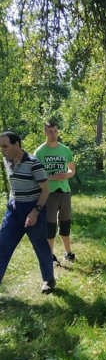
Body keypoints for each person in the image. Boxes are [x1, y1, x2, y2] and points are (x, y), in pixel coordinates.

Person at [0, 131, 56, 293]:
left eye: (5, 146)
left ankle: (48, 280)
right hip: (14, 209)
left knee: (40, 246)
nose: (2, 150)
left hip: (33, 208)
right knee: (3, 245)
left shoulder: (34, 163)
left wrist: (35, 212)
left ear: (16, 144)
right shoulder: (6, 160)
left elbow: (45, 190)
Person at [34, 121, 76, 265]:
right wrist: (52, 176)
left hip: (65, 191)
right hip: (49, 193)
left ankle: (68, 252)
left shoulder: (65, 150)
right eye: (50, 131)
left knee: (65, 223)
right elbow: (36, 175)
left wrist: (65, 174)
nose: (53, 134)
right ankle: (50, 255)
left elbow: (72, 170)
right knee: (50, 225)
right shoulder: (39, 152)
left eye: (55, 131)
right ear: (45, 132)